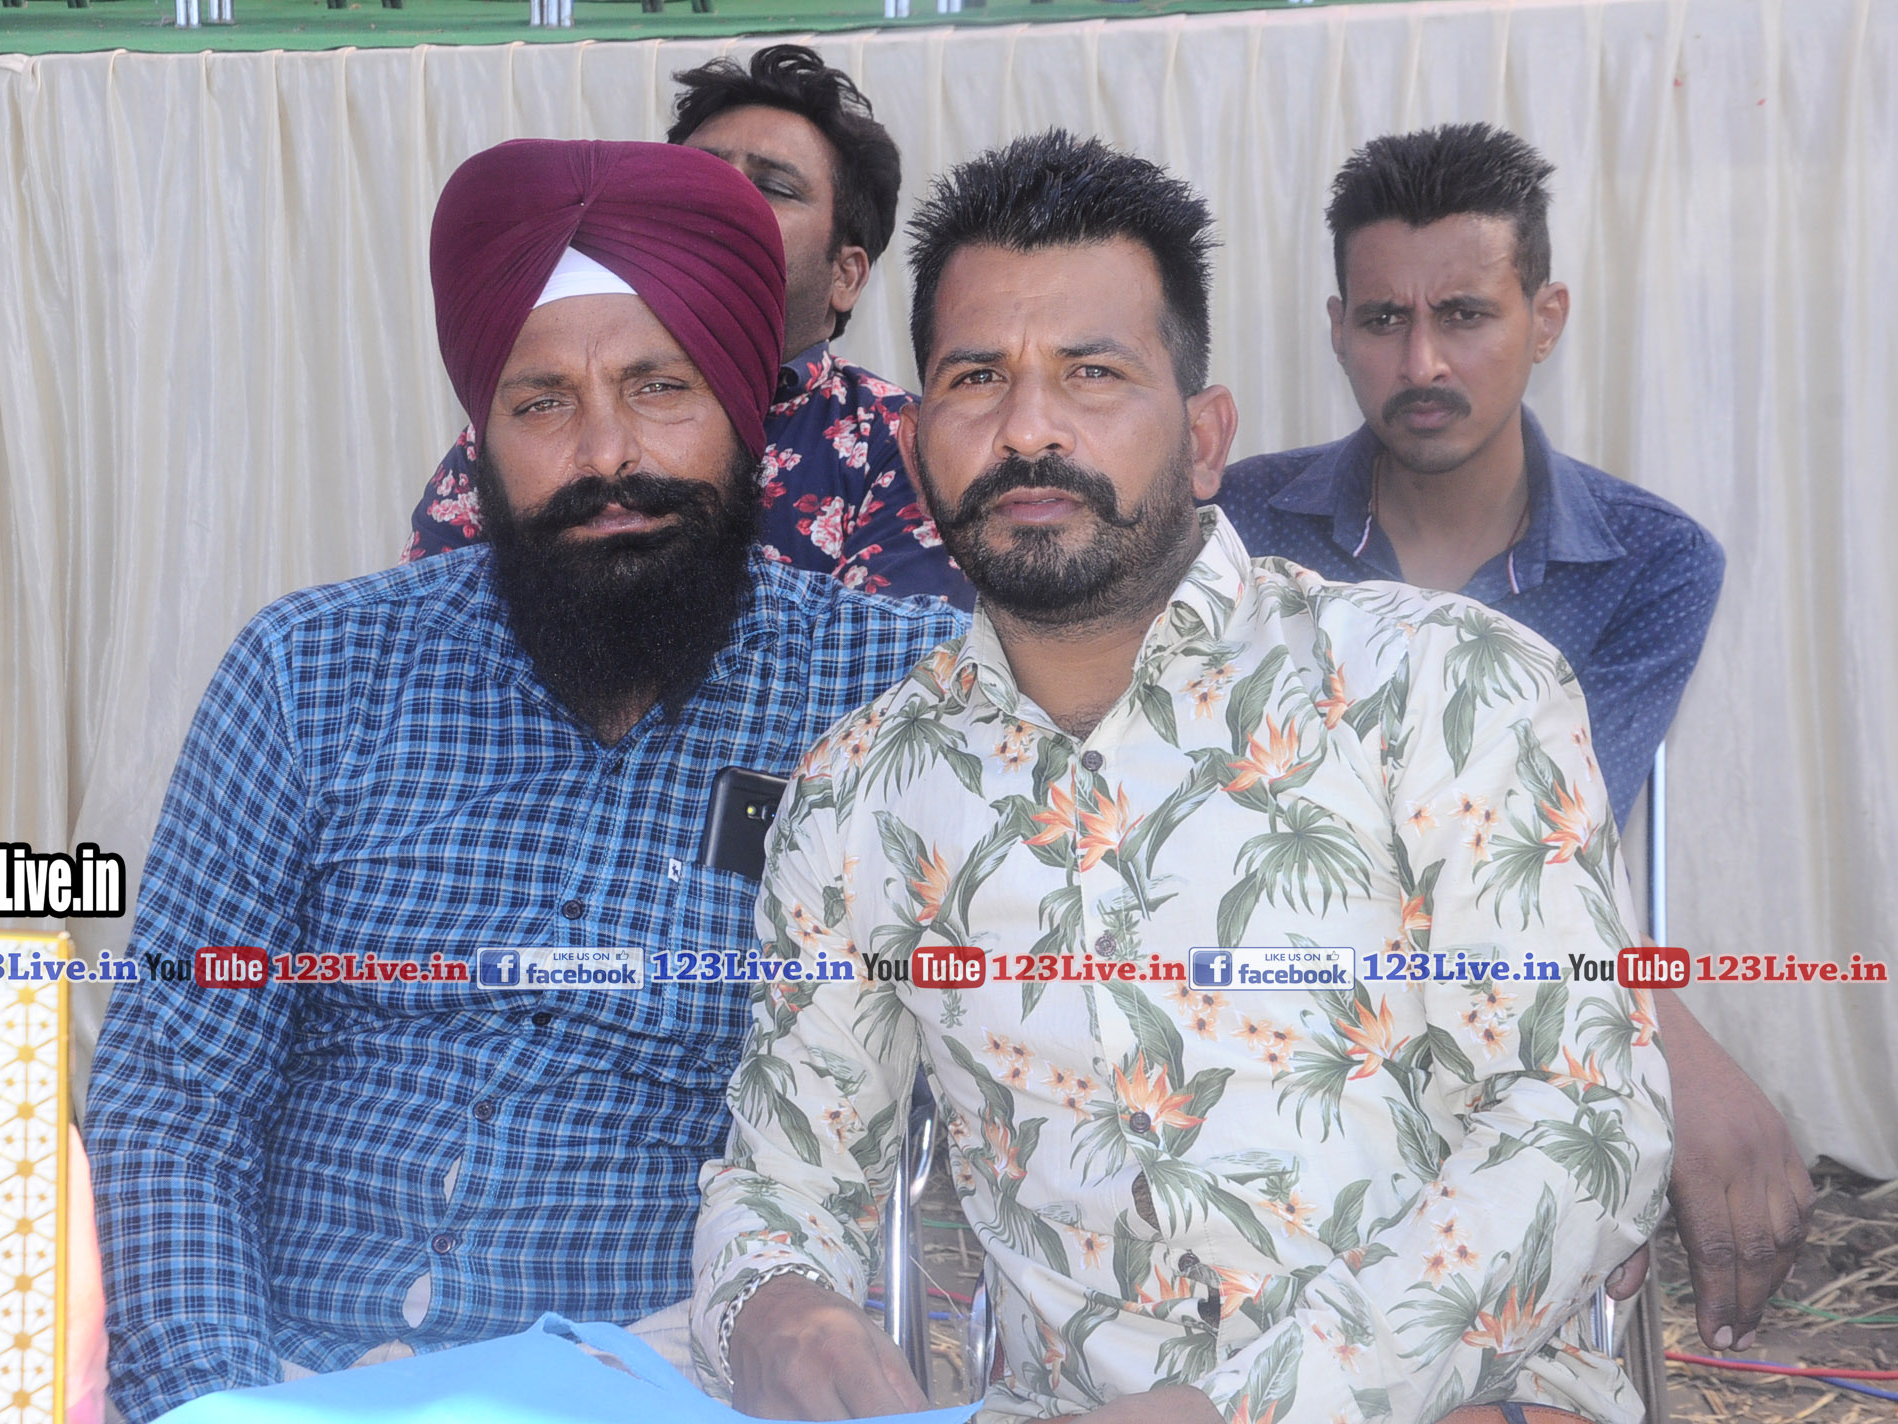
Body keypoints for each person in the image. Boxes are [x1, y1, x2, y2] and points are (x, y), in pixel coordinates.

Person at [695, 132, 1671, 1424]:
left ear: (1206, 438)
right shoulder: (860, 796)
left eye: (1091, 373)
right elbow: (780, 1177)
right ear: (920, 440)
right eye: (977, 377)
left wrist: (1247, 1408)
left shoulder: (1436, 686)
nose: (1028, 428)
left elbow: (1585, 1116)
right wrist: (775, 1304)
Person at [83, 138, 965, 1421]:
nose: (606, 453)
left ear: (746, 411)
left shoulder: (886, 695)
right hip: (281, 1365)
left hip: (654, 1375)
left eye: (659, 386)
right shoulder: (311, 671)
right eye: (542, 402)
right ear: (480, 439)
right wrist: (214, 1397)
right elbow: (175, 1096)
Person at [1210, 123, 1811, 1351]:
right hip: (1260, 1020)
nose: (1420, 360)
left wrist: (1637, 1033)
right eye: (1383, 319)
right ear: (1334, 327)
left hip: (1506, 1011)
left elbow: (1540, 846)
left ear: (1545, 318)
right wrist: (1670, 1041)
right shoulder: (1236, 523)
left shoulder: (1648, 561)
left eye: (1465, 315)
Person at [404, 44, 971, 609]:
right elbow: (439, 632)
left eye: (774, 187)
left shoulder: (899, 443)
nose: (726, 206)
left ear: (845, 275)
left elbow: (894, 652)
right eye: (700, 182)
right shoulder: (517, 430)